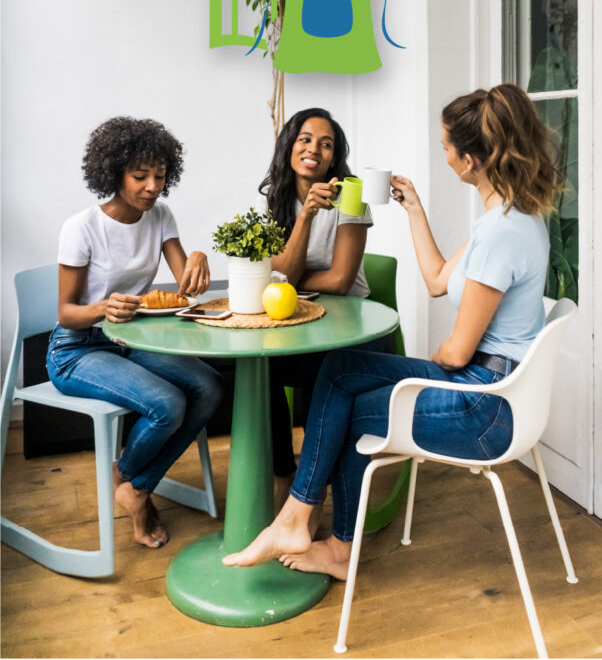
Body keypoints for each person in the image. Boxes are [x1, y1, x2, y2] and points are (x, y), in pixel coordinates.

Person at [223, 83, 559, 578]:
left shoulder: (501, 233)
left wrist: (413, 371)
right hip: (490, 386)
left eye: (445, 146)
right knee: (338, 371)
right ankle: (299, 518)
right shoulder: (507, 217)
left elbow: (455, 354)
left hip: (485, 403)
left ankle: (326, 539)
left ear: (469, 161)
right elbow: (439, 280)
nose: (442, 155)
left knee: (352, 405)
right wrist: (415, 210)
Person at [46, 117, 223, 549]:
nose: (152, 187)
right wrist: (103, 308)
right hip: (77, 349)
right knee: (167, 404)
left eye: (160, 177)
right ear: (114, 173)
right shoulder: (81, 227)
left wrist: (197, 256)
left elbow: (187, 291)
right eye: (140, 176)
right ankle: (138, 492)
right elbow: (67, 313)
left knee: (210, 386)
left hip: (131, 339)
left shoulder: (160, 215)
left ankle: (131, 482)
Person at [257, 108, 392, 511]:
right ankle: (285, 474)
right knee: (259, 371)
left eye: (326, 143)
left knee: (323, 376)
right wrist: (307, 217)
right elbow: (280, 274)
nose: (314, 148)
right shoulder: (277, 199)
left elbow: (338, 282)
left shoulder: (352, 197)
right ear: (289, 147)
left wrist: (288, 279)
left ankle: (312, 492)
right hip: (302, 325)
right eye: (305, 139)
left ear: (334, 158)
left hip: (355, 331)